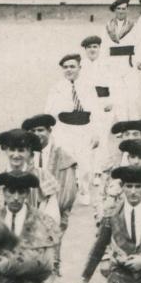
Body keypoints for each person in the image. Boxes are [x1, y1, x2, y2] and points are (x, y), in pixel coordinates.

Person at [22, 114, 78, 283]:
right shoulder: (24, 154)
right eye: (33, 131)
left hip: (53, 214)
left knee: (50, 258)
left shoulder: (63, 157)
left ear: (49, 131)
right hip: (26, 215)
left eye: (41, 130)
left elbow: (68, 191)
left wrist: (53, 214)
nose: (37, 134)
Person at [44, 51, 106, 197]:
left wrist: (97, 133)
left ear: (80, 68)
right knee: (65, 163)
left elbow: (96, 112)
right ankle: (66, 193)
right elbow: (48, 111)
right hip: (64, 129)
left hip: (84, 128)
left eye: (72, 66)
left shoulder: (88, 86)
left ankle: (84, 191)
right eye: (65, 67)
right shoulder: (57, 88)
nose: (68, 70)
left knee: (84, 165)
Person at [0, 129, 62, 226]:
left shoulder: (43, 176)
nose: (16, 155)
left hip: (35, 232)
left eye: (21, 150)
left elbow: (52, 216)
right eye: (12, 150)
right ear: (6, 150)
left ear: (30, 152)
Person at [103, 0, 140, 118]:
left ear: (127, 10)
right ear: (114, 10)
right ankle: (122, 122)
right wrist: (105, 64)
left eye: (124, 9)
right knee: (117, 94)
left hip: (129, 63)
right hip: (113, 64)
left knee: (132, 95)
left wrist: (139, 60)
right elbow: (104, 46)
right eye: (118, 8)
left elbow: (139, 44)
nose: (121, 11)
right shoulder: (108, 26)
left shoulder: (133, 25)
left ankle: (134, 121)